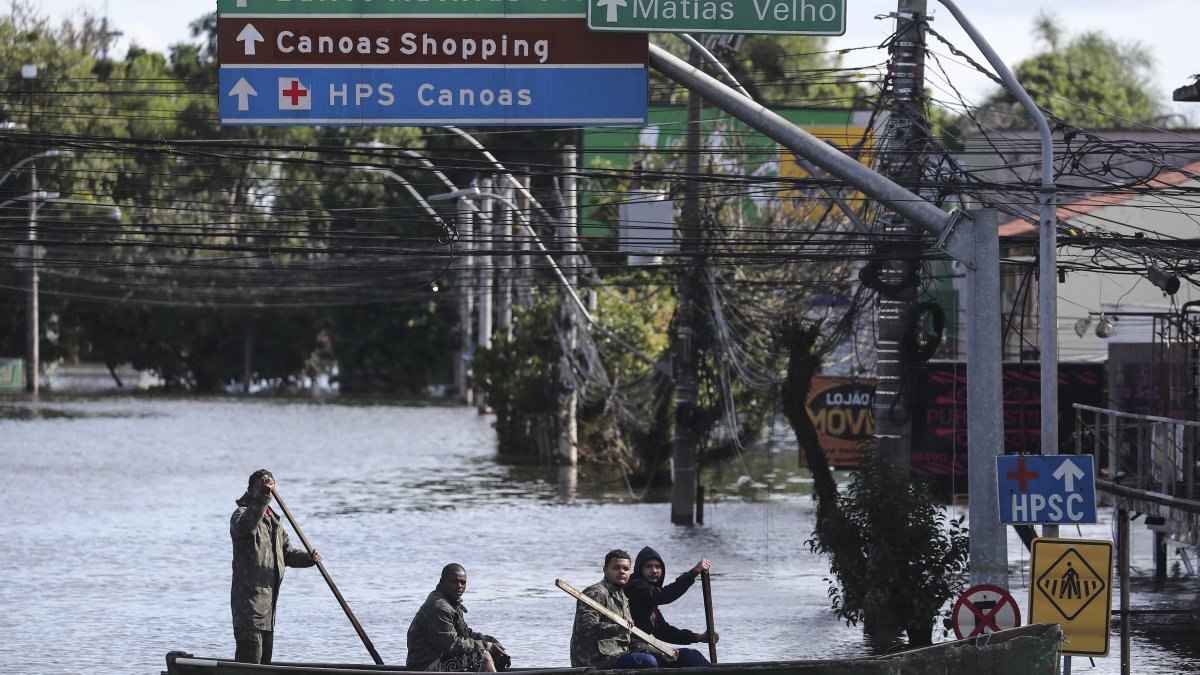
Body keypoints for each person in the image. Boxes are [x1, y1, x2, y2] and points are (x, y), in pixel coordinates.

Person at [230, 469, 322, 664]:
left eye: (268, 488)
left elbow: (287, 553)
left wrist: (309, 559)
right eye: (259, 487)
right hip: (249, 608)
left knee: (265, 664)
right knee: (249, 664)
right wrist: (262, 496)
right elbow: (246, 528)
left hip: (268, 609)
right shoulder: (241, 514)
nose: (266, 492)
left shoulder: (274, 522)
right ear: (250, 491)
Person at [569, 549, 677, 669]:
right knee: (647, 662)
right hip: (595, 660)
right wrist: (616, 628)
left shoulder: (623, 597)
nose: (621, 572)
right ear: (605, 570)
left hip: (619, 655)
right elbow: (585, 627)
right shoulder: (596, 593)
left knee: (684, 658)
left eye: (625, 569)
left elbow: (630, 640)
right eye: (616, 568)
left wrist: (660, 653)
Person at [623, 547, 717, 668]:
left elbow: (663, 631)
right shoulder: (635, 586)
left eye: (658, 566)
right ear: (639, 569)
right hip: (628, 651)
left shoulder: (651, 599)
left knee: (690, 655)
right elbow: (665, 595)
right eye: (649, 566)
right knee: (650, 662)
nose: (654, 570)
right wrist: (693, 572)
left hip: (643, 651)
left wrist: (699, 637)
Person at [407, 563, 509, 672]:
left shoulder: (451, 602)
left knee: (496, 655)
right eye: (454, 581)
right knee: (483, 657)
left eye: (463, 582)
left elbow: (464, 634)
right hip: (426, 667)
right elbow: (451, 644)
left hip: (442, 659)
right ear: (442, 582)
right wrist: (486, 646)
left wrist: (491, 642)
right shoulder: (439, 607)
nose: (459, 586)